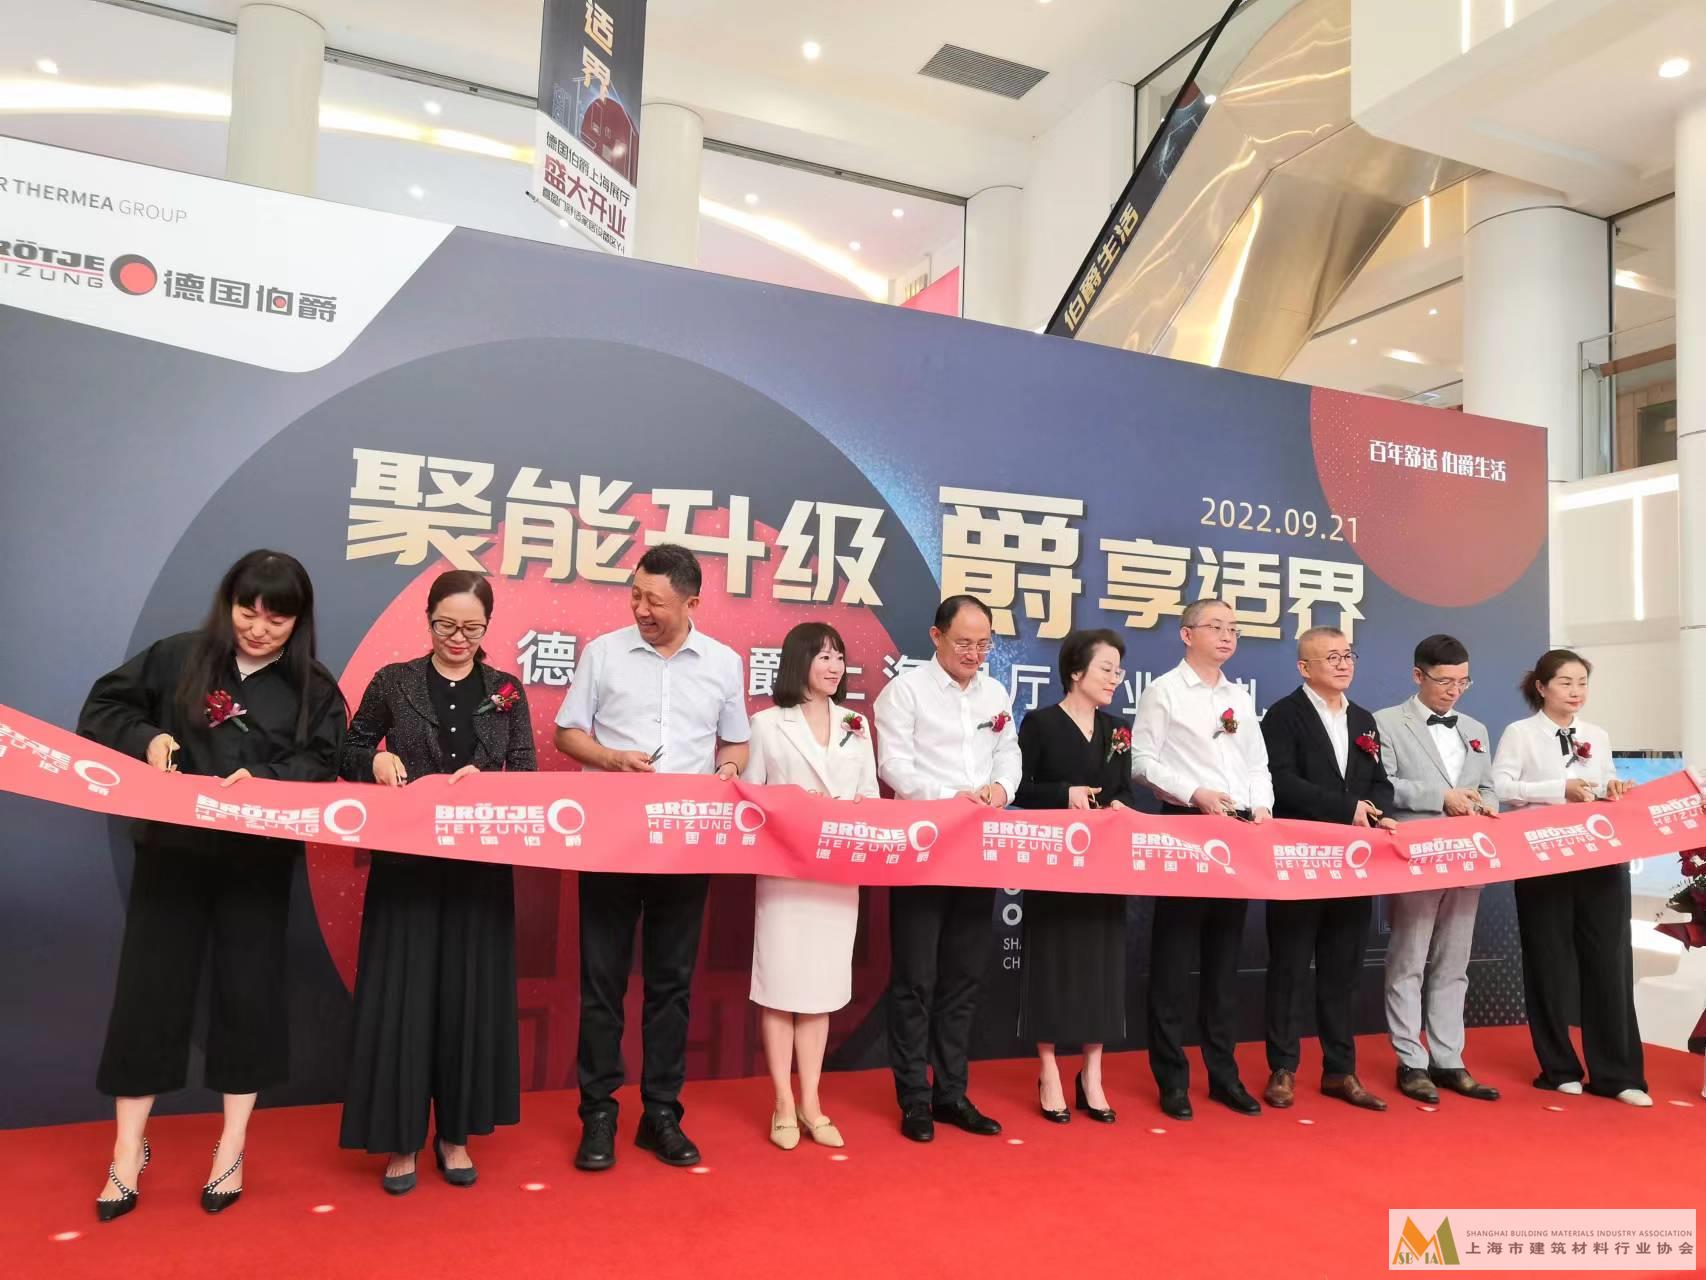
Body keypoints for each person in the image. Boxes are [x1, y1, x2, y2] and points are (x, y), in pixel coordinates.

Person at [77, 550, 346, 1221]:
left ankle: (232, 1144)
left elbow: (326, 760)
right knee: (148, 993)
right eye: (247, 611)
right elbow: (103, 708)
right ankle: (127, 1148)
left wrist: (271, 781)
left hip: (256, 865)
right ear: (228, 604)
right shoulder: (177, 657)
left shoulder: (313, 686)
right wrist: (147, 739)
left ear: (298, 621)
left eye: (276, 618)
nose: (258, 628)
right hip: (171, 857)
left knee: (249, 996)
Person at [555, 544, 751, 1169]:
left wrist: (727, 771)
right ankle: (598, 1114)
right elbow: (566, 733)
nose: (641, 609)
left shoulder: (722, 663)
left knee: (672, 986)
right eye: (636, 596)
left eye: (656, 602)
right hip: (610, 841)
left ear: (692, 603)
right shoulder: (603, 653)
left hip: (685, 846)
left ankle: (661, 1113)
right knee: (602, 984)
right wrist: (610, 758)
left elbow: (737, 744)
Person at [338, 571, 534, 1193]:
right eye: (446, 624)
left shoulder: (506, 690)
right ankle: (400, 1140)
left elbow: (527, 773)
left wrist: (490, 786)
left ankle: (455, 1135)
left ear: (487, 627)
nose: (458, 637)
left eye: (472, 628)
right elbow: (348, 748)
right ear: (427, 620)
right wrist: (375, 759)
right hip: (407, 870)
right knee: (404, 999)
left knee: (467, 1000)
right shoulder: (394, 681)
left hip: (479, 872)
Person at [874, 595, 1021, 1143]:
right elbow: (894, 765)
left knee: (963, 977)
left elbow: (1008, 752)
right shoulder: (906, 691)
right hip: (923, 848)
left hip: (976, 850)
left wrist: (1001, 788)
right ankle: (914, 1097)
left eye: (984, 644)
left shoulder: (994, 693)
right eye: (964, 643)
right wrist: (948, 798)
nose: (975, 654)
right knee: (916, 979)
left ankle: (952, 1093)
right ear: (936, 637)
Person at [1131, 597, 1273, 1121]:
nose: (1227, 635)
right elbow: (1142, 762)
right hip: (1186, 830)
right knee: (1173, 962)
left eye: (1233, 627)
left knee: (1223, 962)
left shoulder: (1240, 696)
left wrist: (1262, 806)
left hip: (1236, 836)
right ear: (1187, 634)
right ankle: (1171, 1079)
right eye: (1216, 626)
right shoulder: (1164, 691)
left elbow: (1257, 764)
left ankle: (1223, 1075)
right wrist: (1196, 793)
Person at [1493, 649, 1650, 1106]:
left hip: (1600, 858)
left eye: (1582, 682)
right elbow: (1501, 787)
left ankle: (1618, 1075)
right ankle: (1558, 1068)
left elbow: (1604, 782)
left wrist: (1614, 789)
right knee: (1548, 961)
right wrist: (1556, 790)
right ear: (1541, 687)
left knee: (1610, 963)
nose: (1576, 691)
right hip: (1543, 859)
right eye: (1565, 682)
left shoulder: (1597, 734)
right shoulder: (1520, 733)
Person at [745, 622, 879, 1151]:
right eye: (824, 656)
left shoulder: (855, 724)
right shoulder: (766, 724)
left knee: (820, 990)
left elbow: (870, 795)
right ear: (798, 661)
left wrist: (849, 809)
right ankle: (782, 1101)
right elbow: (750, 799)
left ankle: (812, 1102)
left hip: (837, 872)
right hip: (786, 873)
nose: (834, 666)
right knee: (781, 988)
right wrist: (795, 808)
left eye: (839, 657)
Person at [1260, 626, 1396, 1113]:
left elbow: (1379, 782)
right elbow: (1279, 782)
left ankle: (1340, 1070)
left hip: (1353, 865)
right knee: (1290, 967)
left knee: (1343, 970)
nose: (1343, 664)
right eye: (1331, 657)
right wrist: (1346, 809)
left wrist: (1375, 810)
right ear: (1304, 667)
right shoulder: (1283, 715)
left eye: (1347, 655)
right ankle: (1282, 1067)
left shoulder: (1363, 719)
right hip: (1300, 860)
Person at [1014, 628, 1137, 1125]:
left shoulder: (1118, 729)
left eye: (1118, 671)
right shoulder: (1041, 723)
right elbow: (1020, 788)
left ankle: (1092, 1072)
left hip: (1104, 866)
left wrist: (1121, 806)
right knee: (1051, 960)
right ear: (1075, 671)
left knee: (1102, 965)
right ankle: (1047, 1068)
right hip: (1054, 864)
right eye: (1106, 669)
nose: (1114, 679)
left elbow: (1125, 790)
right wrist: (1064, 794)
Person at [1375, 634, 1501, 1105]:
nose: (1454, 690)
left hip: (1468, 855)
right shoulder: (1387, 722)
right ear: (1418, 675)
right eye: (1445, 681)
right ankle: (1411, 1059)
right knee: (1408, 959)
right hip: (1416, 855)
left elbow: (1488, 786)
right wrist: (1440, 798)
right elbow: (1383, 785)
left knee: (1454, 963)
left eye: (1463, 682)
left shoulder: (1475, 727)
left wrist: (1485, 804)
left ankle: (1449, 1058)